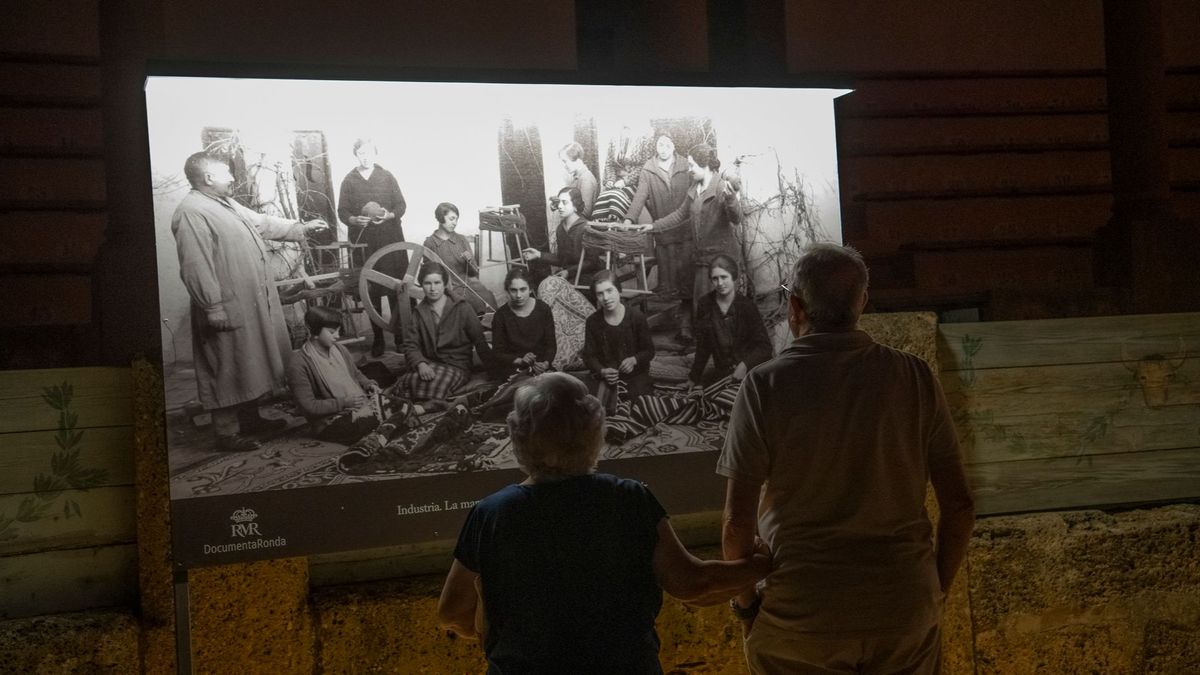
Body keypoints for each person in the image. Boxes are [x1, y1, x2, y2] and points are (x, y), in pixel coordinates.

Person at [719, 244, 975, 674]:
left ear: (794, 306)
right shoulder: (913, 377)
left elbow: (735, 525)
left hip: (802, 616)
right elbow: (960, 507)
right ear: (862, 302)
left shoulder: (765, 387)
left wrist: (747, 609)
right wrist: (933, 592)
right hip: (902, 607)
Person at [437, 372, 771, 674]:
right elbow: (692, 583)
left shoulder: (491, 513)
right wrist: (760, 565)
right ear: (595, 430)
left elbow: (452, 613)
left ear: (518, 438)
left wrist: (495, 630)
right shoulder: (628, 499)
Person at [171, 151, 328, 452]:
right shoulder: (192, 212)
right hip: (225, 306)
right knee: (226, 365)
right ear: (208, 178)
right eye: (226, 173)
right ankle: (227, 433)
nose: (232, 178)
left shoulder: (224, 204)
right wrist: (212, 306)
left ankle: (250, 418)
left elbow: (263, 223)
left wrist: (300, 229)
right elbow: (195, 265)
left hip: (245, 303)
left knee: (248, 363)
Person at [641, 144, 742, 344]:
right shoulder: (694, 189)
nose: (689, 169)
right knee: (702, 308)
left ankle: (725, 354)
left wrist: (731, 200)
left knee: (723, 309)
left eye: (692, 165)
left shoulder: (722, 187)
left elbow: (736, 218)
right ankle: (706, 351)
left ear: (705, 165)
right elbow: (679, 214)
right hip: (703, 258)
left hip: (722, 260)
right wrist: (653, 226)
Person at [337, 138, 408, 357]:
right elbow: (342, 211)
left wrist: (390, 215)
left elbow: (401, 205)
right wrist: (352, 220)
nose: (365, 157)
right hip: (364, 243)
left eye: (369, 152)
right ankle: (378, 337)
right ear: (355, 155)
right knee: (371, 290)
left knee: (396, 287)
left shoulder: (386, 176)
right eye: (361, 153)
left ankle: (400, 336)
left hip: (390, 240)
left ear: (376, 154)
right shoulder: (349, 180)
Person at [399, 265, 493, 414]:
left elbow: (480, 342)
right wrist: (421, 363)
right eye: (427, 283)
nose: (432, 288)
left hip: (456, 365)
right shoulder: (419, 312)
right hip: (430, 363)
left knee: (436, 385)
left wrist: (493, 370)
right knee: (408, 381)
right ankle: (416, 403)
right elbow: (411, 344)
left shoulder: (462, 307)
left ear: (444, 284)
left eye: (437, 283)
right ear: (421, 285)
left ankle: (424, 407)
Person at [286, 306, 383, 444]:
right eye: (332, 332)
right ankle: (384, 431)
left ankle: (382, 431)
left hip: (356, 409)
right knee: (389, 413)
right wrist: (343, 403)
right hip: (330, 423)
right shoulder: (297, 364)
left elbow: (355, 374)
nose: (337, 336)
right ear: (314, 332)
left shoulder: (340, 349)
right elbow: (309, 406)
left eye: (338, 331)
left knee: (398, 406)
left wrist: (369, 385)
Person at [687, 255, 773, 389]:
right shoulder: (705, 304)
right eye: (715, 279)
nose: (720, 283)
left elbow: (765, 347)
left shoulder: (746, 306)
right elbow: (703, 346)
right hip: (723, 373)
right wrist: (693, 378)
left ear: (733, 277)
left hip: (750, 371)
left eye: (724, 277)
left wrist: (744, 364)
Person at [624, 134, 692, 299]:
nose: (663, 149)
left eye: (668, 145)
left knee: (687, 275)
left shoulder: (685, 165)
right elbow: (640, 196)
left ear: (674, 146)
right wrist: (629, 219)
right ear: (655, 147)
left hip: (686, 227)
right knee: (668, 282)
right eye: (660, 145)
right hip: (662, 228)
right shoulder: (648, 170)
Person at [581, 270, 655, 407]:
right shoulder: (592, 321)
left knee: (640, 404)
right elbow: (589, 356)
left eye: (610, 291)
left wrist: (634, 360)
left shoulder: (636, 316)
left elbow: (649, 351)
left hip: (634, 375)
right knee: (587, 403)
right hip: (606, 377)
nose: (606, 298)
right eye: (600, 294)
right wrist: (602, 371)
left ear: (619, 290)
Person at [421, 202, 497, 315]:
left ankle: (487, 329)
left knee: (488, 297)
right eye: (452, 219)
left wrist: (469, 261)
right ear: (441, 217)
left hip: (468, 282)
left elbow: (474, 272)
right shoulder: (430, 243)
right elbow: (428, 273)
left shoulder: (461, 240)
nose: (455, 223)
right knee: (473, 303)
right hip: (447, 287)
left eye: (456, 219)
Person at [521, 187, 602, 288]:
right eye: (559, 202)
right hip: (570, 276)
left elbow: (592, 262)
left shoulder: (586, 228)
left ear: (575, 205)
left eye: (564, 202)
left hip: (589, 277)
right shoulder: (560, 229)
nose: (559, 206)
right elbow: (562, 259)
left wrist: (568, 272)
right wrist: (539, 254)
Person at [491, 268, 557, 378]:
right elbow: (498, 353)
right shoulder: (501, 315)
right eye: (513, 290)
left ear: (530, 289)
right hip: (513, 367)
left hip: (540, 366)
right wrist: (521, 361)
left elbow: (551, 346)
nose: (518, 295)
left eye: (523, 289)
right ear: (507, 291)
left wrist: (545, 364)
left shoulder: (543, 309)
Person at [559, 141, 599, 217]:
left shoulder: (586, 179)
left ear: (577, 160)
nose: (564, 166)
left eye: (565, 161)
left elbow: (585, 212)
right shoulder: (577, 177)